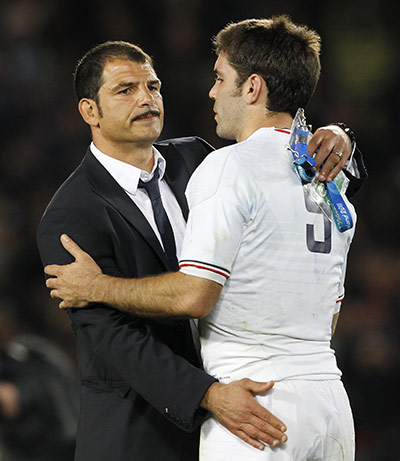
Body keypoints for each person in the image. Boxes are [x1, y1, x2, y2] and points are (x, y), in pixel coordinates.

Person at [40, 27, 362, 460]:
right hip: (143, 430)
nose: (146, 98)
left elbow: (277, 176)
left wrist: (341, 138)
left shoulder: (200, 158)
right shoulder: (71, 213)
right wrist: (207, 395)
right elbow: (113, 338)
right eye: (126, 90)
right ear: (89, 111)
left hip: (244, 408)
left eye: (153, 86)